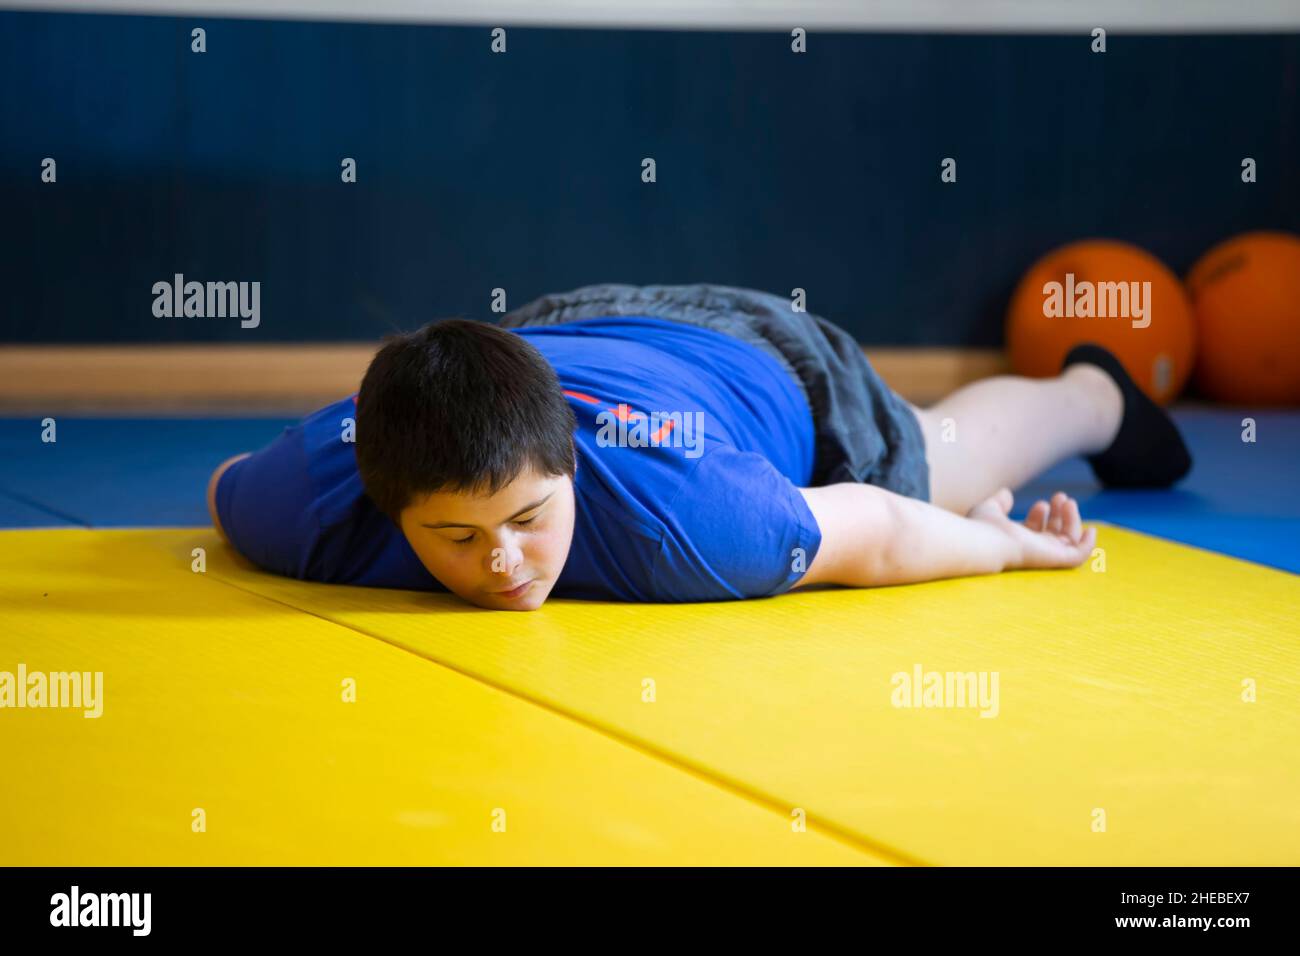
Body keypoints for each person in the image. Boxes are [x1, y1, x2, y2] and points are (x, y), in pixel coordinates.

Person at [207, 283, 1191, 610]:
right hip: (564, 328)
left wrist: (1019, 547)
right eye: (454, 538)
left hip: (762, 355)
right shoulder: (308, 494)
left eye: (526, 518)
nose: (502, 564)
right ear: (388, 502)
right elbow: (226, 486)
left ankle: (1093, 392)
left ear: (571, 467)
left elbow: (882, 532)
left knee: (936, 461)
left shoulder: (693, 515)